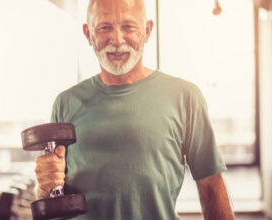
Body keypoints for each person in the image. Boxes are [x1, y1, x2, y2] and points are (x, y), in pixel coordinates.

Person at [35, 0, 234, 219]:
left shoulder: (185, 97)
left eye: (128, 27)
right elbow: (51, 197)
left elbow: (211, 186)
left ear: (147, 31)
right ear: (88, 34)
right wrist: (44, 187)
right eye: (104, 27)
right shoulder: (65, 103)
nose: (117, 40)